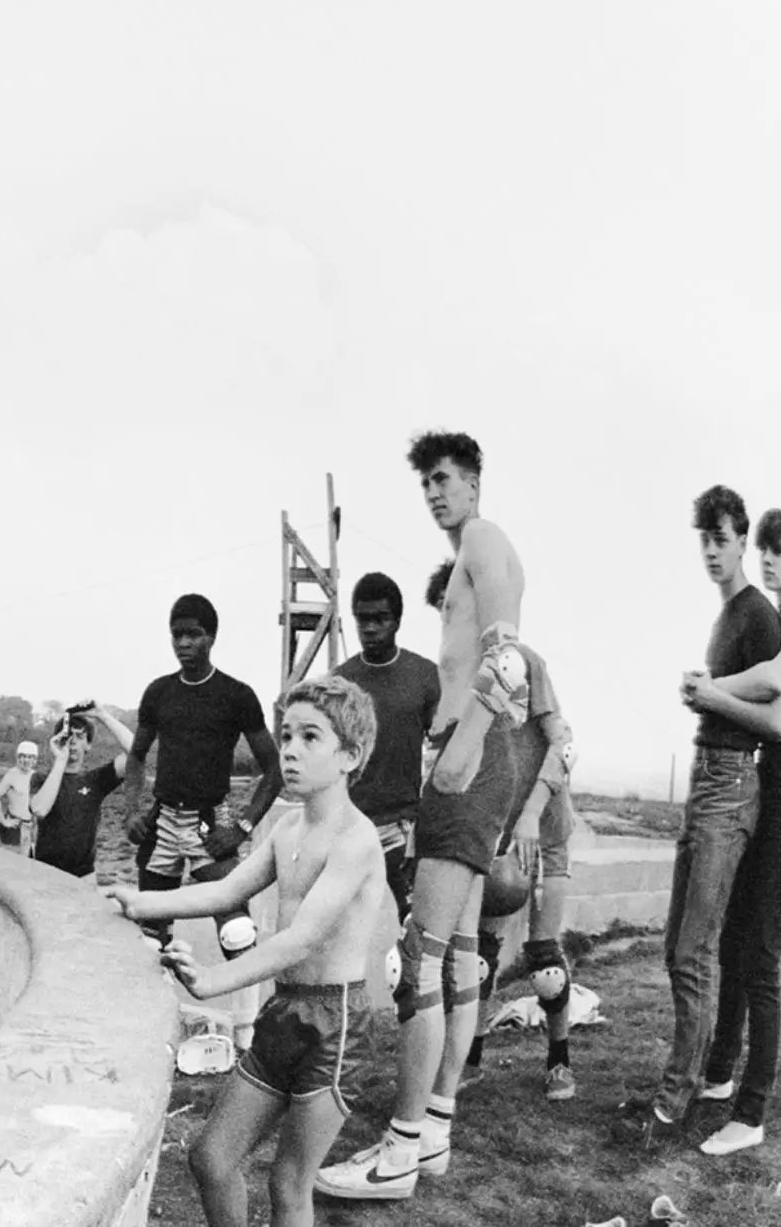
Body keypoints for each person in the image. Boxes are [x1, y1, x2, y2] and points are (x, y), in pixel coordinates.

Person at [318, 430, 567, 1201]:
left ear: (475, 481)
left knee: (420, 960)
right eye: (425, 481)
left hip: (471, 756)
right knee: (458, 959)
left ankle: (395, 1152)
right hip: (475, 758)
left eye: (445, 478)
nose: (433, 492)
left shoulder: (485, 541)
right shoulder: (467, 554)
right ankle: (433, 1131)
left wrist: (466, 745)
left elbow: (508, 658)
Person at [107, 675, 389, 1227]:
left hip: (336, 1026)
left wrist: (214, 982)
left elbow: (301, 939)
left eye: (311, 737)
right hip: (283, 1014)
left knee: (288, 1184)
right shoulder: (286, 827)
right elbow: (225, 890)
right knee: (211, 1159)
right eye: (286, 735)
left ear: (350, 756)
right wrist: (136, 901)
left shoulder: (356, 841)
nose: (289, 749)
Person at [685, 504, 781, 1155]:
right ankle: (720, 1073)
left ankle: (751, 1113)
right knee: (736, 943)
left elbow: (777, 709)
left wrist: (711, 692)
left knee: (763, 957)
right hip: (763, 790)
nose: (771, 561)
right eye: (769, 551)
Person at [124, 594, 284, 957]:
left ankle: (249, 1016)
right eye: (176, 635)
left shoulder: (236, 695)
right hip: (162, 824)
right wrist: (131, 810)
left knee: (238, 933)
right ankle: (164, 1012)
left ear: (211, 637)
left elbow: (274, 769)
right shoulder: (159, 692)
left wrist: (241, 829)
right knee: (149, 938)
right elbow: (136, 756)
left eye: (193, 634)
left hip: (210, 824)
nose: (183, 643)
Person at [460, 723, 581, 1104]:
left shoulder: (543, 706)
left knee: (546, 966)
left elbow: (563, 751)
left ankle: (559, 1060)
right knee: (479, 958)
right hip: (500, 836)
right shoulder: (479, 705)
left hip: (546, 835)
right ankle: (471, 1058)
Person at [329, 572, 442, 927]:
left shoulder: (424, 676)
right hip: (348, 827)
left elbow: (442, 751)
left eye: (381, 619)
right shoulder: (340, 682)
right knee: (346, 929)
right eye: (363, 618)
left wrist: (427, 820)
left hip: (402, 830)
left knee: (407, 929)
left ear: (397, 621)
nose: (371, 628)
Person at [29, 704, 136, 880]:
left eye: (79, 736)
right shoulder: (40, 779)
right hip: (45, 875)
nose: (72, 742)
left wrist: (102, 715)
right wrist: (60, 760)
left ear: (88, 745)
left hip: (84, 878)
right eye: (67, 736)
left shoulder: (96, 780)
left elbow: (137, 751)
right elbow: (40, 810)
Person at [0, 740, 37, 847]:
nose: (26, 760)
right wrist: (4, 821)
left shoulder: (36, 777)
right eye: (23, 756)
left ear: (34, 760)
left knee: (28, 861)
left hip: (30, 828)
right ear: (18, 758)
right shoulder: (11, 775)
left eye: (30, 757)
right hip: (14, 828)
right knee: (10, 861)